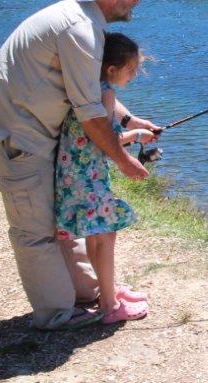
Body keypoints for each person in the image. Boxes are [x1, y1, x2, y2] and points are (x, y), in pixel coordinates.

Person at [0, 0, 160, 330]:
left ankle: (89, 291)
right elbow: (90, 111)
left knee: (57, 221)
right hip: (14, 132)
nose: (137, 1)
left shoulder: (85, 21)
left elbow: (93, 88)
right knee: (35, 230)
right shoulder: (80, 30)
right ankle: (55, 313)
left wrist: (128, 120)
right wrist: (123, 158)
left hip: (36, 129)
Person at [55, 32, 154, 324]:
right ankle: (110, 306)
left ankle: (107, 290)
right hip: (88, 174)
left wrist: (135, 127)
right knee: (104, 234)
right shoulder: (105, 94)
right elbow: (104, 140)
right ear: (111, 69)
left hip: (73, 172)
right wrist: (136, 136)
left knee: (98, 233)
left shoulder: (88, 86)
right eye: (131, 69)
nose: (134, 75)